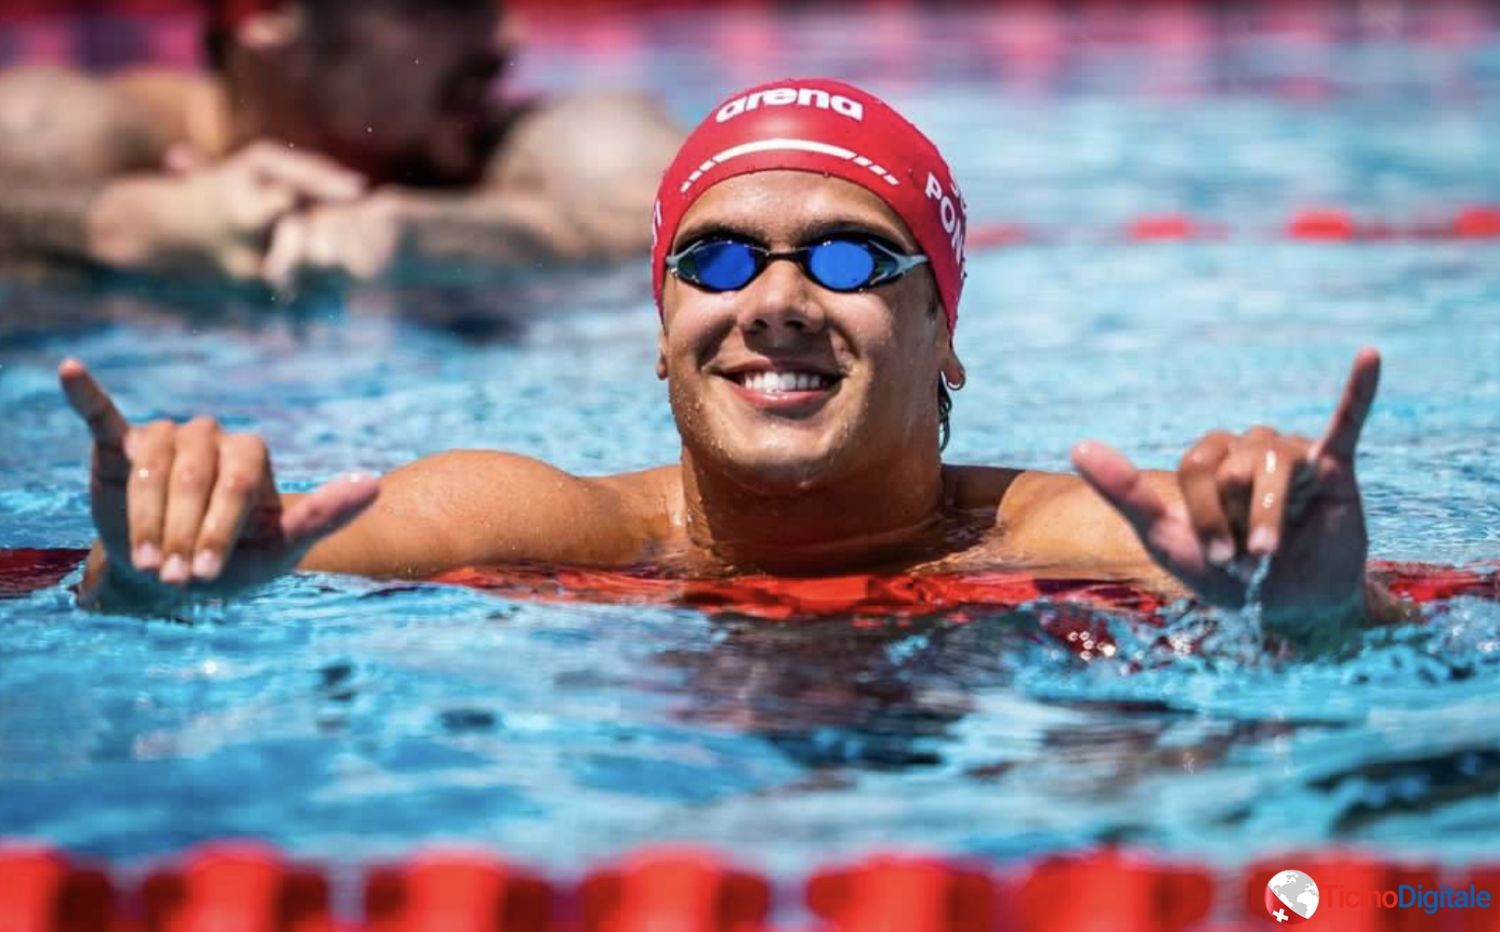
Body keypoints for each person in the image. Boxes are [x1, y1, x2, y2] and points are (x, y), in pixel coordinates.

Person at [59, 78, 1407, 648]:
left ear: (946, 337)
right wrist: (153, 578)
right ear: (660, 338)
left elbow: (1302, 611)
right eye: (712, 262)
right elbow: (278, 562)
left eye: (844, 259)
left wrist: (1317, 612)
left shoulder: (1064, 531)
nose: (772, 303)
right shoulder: (545, 521)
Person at [0, 0, 680, 288]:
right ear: (266, 13)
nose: (506, 41)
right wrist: (113, 223)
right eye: (442, 5)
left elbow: (712, 221)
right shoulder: (68, 136)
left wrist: (440, 234)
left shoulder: (525, 151)